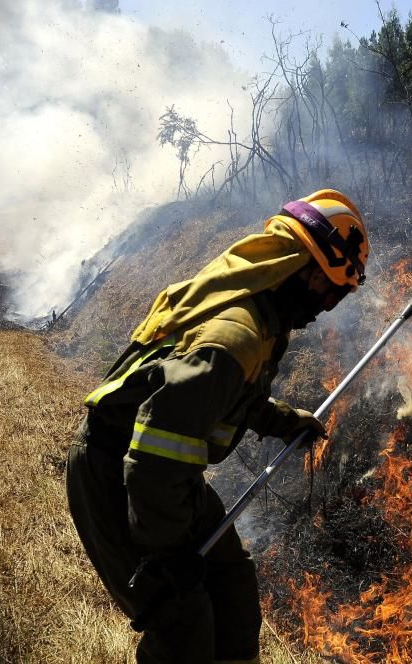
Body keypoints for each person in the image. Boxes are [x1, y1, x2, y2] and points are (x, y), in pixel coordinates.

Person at [66, 189, 369, 664]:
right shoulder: (236, 337)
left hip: (164, 477)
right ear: (301, 268)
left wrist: (285, 422)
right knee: (180, 621)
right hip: (119, 474)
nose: (326, 306)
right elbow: (153, 456)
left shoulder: (261, 317)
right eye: (330, 291)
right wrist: (167, 552)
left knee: (232, 590)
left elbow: (229, 398)